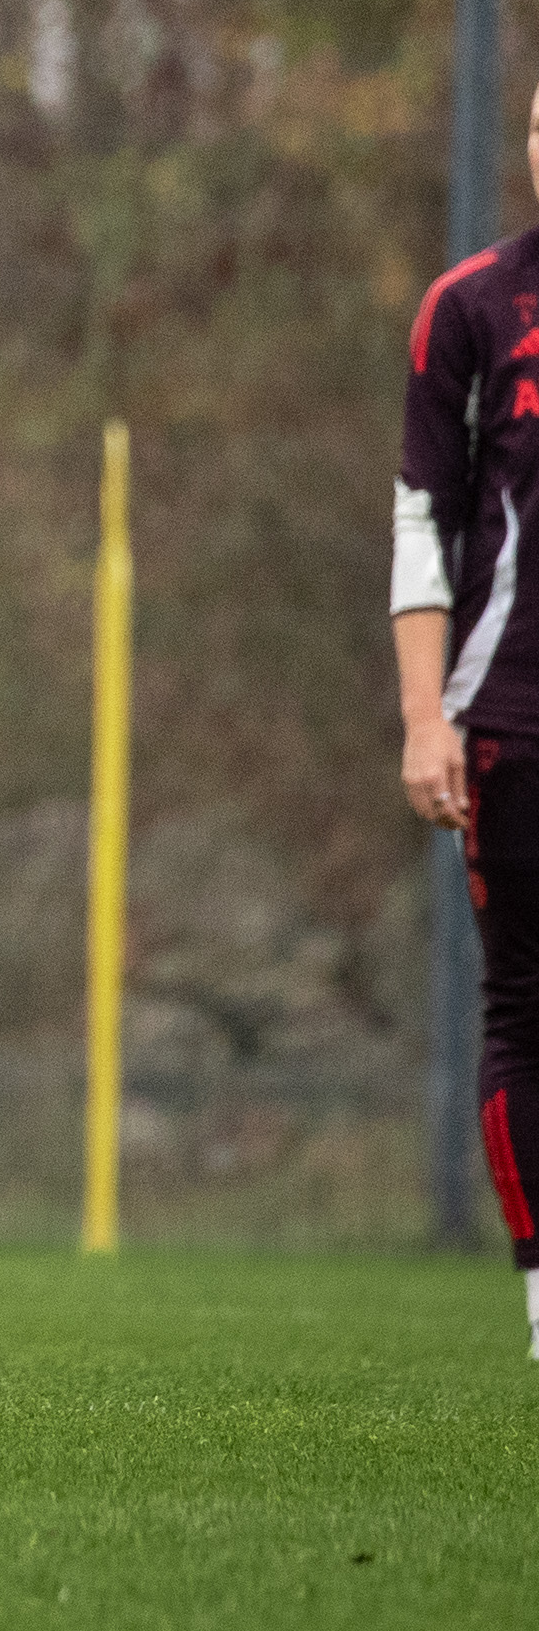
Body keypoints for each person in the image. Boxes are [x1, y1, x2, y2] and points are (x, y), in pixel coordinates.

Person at [392, 81, 539, 1360]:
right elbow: (420, 524)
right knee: (525, 1008)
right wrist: (421, 716)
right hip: (511, 719)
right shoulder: (473, 308)